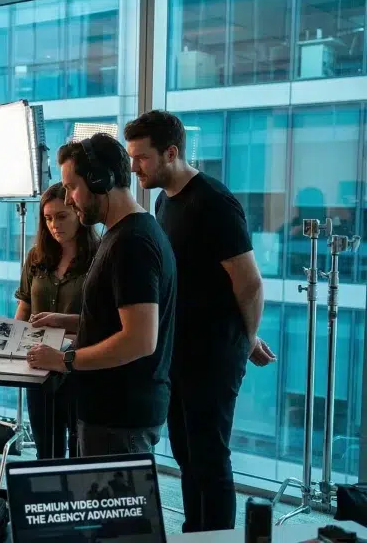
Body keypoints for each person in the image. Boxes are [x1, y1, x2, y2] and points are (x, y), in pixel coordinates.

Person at [124, 110, 275, 532]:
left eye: (142, 157)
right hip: (179, 349)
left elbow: (249, 283)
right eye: (132, 157)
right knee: (186, 453)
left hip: (215, 353)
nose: (134, 167)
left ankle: (217, 539)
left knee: (209, 456)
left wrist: (246, 339)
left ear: (171, 153)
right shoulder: (163, 200)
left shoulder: (214, 201)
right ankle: (196, 533)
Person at [25, 133, 176, 457]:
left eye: (72, 187)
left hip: (118, 417)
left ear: (99, 180)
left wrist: (64, 360)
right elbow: (116, 320)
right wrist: (64, 320)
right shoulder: (123, 233)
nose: (69, 199)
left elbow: (139, 340)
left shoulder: (132, 243)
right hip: (110, 412)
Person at [14, 182, 99, 459]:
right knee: (46, 452)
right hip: (39, 366)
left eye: (61, 216)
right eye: (48, 218)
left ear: (78, 212)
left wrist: (63, 324)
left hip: (80, 367)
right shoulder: (36, 256)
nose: (54, 225)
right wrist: (11, 343)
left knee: (80, 452)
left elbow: (105, 321)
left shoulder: (99, 257)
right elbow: (24, 308)